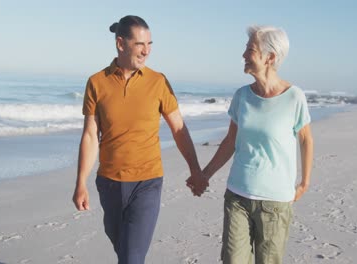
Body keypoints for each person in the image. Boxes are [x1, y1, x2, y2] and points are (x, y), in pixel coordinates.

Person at [72, 15, 207, 264]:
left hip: (147, 182)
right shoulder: (96, 83)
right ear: (120, 44)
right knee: (123, 249)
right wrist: (81, 182)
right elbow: (91, 134)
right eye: (140, 45)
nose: (146, 51)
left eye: (150, 44)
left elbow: (178, 128)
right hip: (109, 183)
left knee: (131, 258)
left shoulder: (158, 82)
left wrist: (196, 170)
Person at [189, 25, 314, 263]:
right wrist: (204, 174)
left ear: (270, 57)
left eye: (250, 49)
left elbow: (306, 139)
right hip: (237, 196)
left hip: (275, 202)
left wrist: (305, 182)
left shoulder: (294, 97)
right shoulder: (241, 96)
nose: (244, 55)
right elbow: (230, 141)